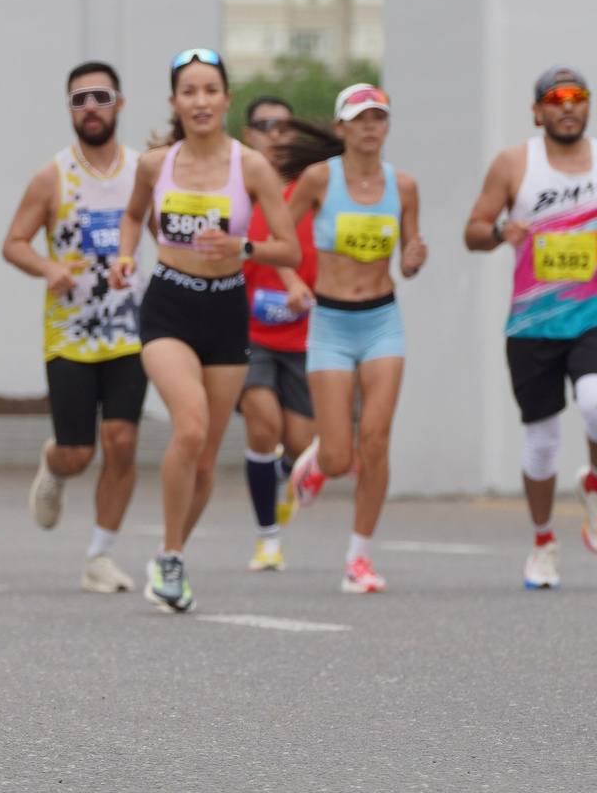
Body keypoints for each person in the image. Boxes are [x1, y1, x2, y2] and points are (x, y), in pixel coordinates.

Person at [111, 51, 298, 614]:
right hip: (169, 306)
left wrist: (243, 246)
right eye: (188, 91)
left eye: (210, 90)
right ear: (174, 102)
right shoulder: (155, 164)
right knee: (189, 428)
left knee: (206, 457)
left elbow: (288, 249)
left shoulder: (252, 167)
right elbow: (132, 216)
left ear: (226, 100)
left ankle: (170, 555)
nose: (200, 101)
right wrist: (125, 255)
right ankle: (171, 558)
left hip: (226, 310)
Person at [1, 61, 146, 593]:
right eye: (79, 99)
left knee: (122, 440)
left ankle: (100, 556)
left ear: (119, 104)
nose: (91, 108)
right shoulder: (53, 176)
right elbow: (13, 243)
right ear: (69, 109)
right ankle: (54, 464)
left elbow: (168, 234)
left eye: (100, 97)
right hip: (70, 335)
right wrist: (48, 268)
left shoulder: (143, 171)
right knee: (79, 451)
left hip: (128, 329)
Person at [280, 85, 423, 593]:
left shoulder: (403, 186)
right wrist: (293, 282)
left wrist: (414, 259)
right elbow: (279, 237)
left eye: (378, 117)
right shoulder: (320, 179)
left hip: (382, 321)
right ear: (340, 127)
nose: (370, 127)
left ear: (387, 126)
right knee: (341, 458)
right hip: (331, 325)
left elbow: (409, 253)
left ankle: (358, 559)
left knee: (376, 441)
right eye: (359, 118)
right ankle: (319, 462)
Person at [464, 65, 597, 590]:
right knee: (541, 443)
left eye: (578, 97)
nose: (568, 106)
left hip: (591, 316)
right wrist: (502, 232)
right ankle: (543, 543)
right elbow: (473, 231)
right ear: (538, 112)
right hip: (533, 323)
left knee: (594, 400)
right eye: (556, 98)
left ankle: (593, 484)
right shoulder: (515, 163)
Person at [236, 95, 319, 570]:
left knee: (303, 442)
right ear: (248, 134)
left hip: (305, 336)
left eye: (285, 127)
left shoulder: (312, 191)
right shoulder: (238, 193)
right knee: (263, 424)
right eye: (266, 126)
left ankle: (281, 474)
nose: (276, 135)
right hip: (250, 333)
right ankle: (267, 538)